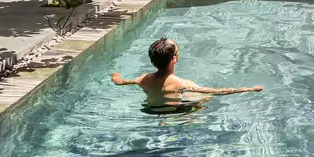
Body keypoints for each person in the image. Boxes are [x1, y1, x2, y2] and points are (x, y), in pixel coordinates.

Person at [110, 37, 262, 114]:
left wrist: (117, 78)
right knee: (202, 100)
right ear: (174, 59)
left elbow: (124, 82)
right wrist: (249, 89)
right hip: (176, 112)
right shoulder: (182, 84)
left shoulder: (143, 79)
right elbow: (217, 92)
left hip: (150, 110)